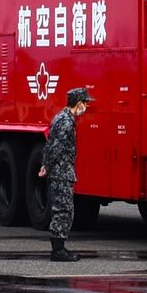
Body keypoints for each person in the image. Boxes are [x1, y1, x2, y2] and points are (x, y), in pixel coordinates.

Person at [37, 87, 92, 262]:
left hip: (60, 170)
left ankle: (60, 248)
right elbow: (56, 147)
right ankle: (58, 250)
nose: (87, 107)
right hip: (61, 172)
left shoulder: (60, 117)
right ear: (78, 103)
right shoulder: (66, 121)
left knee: (62, 208)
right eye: (85, 103)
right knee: (64, 209)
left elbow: (49, 144)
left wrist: (46, 164)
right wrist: (47, 166)